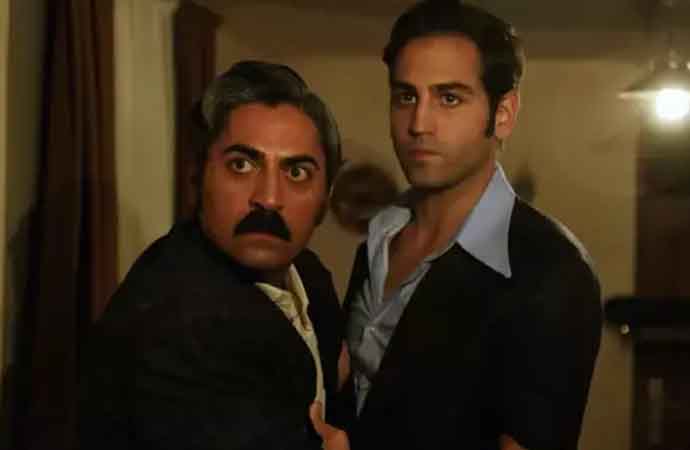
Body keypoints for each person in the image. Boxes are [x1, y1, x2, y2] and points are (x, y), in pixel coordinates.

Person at [311, 1, 603, 450]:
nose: (419, 124)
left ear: (502, 113)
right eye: (406, 97)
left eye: (449, 98)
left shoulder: (551, 270)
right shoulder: (380, 237)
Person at [81, 60, 349, 450]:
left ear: (326, 196)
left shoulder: (308, 273)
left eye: (296, 172)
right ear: (198, 175)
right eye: (242, 165)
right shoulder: (177, 322)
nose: (268, 199)